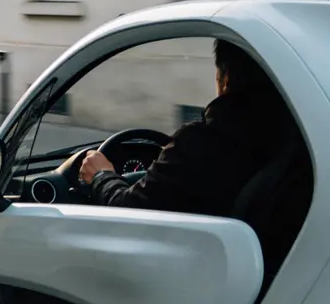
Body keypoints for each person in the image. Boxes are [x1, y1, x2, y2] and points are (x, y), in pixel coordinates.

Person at [78, 39, 299, 217]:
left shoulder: (200, 145)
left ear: (225, 78)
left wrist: (101, 175)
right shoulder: (295, 140)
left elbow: (127, 210)